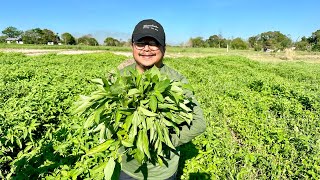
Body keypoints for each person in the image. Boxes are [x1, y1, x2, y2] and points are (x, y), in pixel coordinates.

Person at [119, 19, 206, 180]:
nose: (146, 49)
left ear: (163, 49)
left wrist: (163, 139)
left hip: (162, 171)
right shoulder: (119, 77)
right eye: (141, 43)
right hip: (128, 167)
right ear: (132, 46)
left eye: (153, 43)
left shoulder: (176, 80)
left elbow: (199, 123)